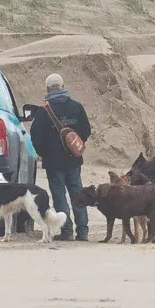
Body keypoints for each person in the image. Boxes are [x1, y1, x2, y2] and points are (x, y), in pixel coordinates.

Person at [30, 72, 93, 241]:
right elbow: (86, 131)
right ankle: (83, 231)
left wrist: (44, 153)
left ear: (48, 89)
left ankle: (67, 231)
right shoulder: (76, 106)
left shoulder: (43, 111)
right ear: (63, 87)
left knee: (59, 196)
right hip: (73, 160)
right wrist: (74, 146)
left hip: (53, 162)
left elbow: (35, 137)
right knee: (77, 193)